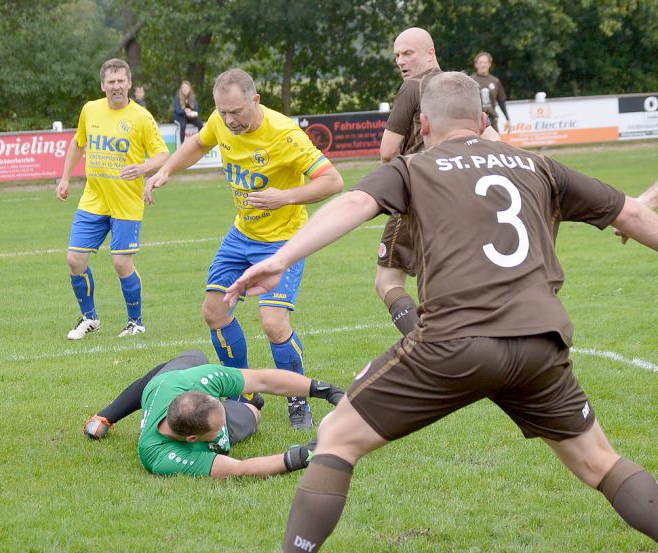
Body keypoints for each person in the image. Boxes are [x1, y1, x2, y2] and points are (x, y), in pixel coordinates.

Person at [223, 72, 658, 551]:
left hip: (455, 341)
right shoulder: (540, 166)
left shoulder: (415, 167)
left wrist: (280, 259)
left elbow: (353, 200)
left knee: (337, 435)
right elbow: (634, 215)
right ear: (484, 119)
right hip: (540, 344)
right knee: (600, 462)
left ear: (424, 123)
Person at [145, 68, 344, 430]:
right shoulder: (220, 121)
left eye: (236, 111)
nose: (229, 120)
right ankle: (244, 393)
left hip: (284, 239)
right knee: (214, 312)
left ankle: (297, 398)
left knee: (273, 321)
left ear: (255, 100)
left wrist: (283, 196)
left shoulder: (285, 134)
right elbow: (198, 143)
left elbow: (333, 180)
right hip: (241, 236)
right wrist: (167, 169)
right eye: (222, 112)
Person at [376, 28, 499, 336]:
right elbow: (497, 143)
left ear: (430, 53)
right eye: (397, 56)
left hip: (418, 195)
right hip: (464, 197)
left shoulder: (412, 88)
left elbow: (387, 152)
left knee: (388, 282)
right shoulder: (460, 86)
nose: (401, 61)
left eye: (408, 53)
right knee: (454, 282)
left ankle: (427, 349)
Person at [83, 349, 346, 478]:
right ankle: (248, 404)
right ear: (193, 440)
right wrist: (308, 454)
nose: (220, 428)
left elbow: (264, 379)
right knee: (253, 414)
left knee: (194, 357)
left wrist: (327, 391)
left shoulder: (191, 382)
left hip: (175, 384)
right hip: (198, 421)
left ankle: (106, 415)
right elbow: (240, 469)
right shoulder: (160, 456)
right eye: (216, 427)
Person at [56, 58, 169, 340]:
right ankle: (90, 318)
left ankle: (136, 322)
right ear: (103, 85)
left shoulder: (141, 117)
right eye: (111, 82)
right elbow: (78, 143)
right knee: (74, 261)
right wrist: (66, 178)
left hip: (126, 202)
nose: (116, 86)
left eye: (121, 81)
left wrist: (143, 169)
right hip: (93, 199)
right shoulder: (90, 110)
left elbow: (162, 154)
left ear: (129, 83)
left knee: (121, 264)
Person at [470, 51, 510, 133]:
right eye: (480, 62)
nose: (483, 65)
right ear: (476, 65)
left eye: (485, 62)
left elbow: (501, 102)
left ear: (489, 64)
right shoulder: (470, 80)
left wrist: (507, 119)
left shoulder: (495, 81)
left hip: (492, 119)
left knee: (495, 143)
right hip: (476, 120)